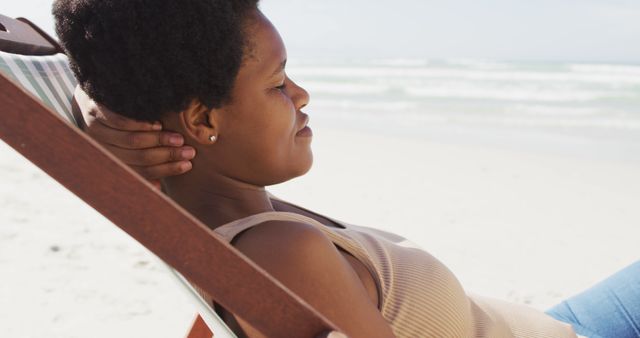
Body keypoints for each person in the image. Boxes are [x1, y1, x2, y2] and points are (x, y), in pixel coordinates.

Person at [53, 0, 638, 337]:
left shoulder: (229, 215)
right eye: (279, 84)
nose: (302, 95)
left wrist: (92, 111)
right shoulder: (279, 254)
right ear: (203, 119)